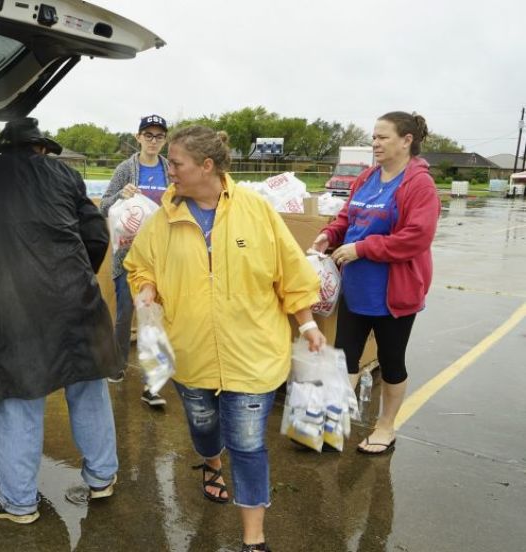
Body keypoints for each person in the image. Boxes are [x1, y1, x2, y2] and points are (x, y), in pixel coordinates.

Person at [124, 125, 326, 552]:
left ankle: (254, 539)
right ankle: (210, 462)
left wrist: (307, 325)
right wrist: (145, 288)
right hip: (191, 350)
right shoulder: (164, 219)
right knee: (203, 427)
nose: (170, 170)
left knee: (249, 444)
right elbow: (140, 264)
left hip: (252, 354)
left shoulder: (256, 211)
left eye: (176, 163)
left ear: (207, 166)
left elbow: (291, 271)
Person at [0, 117, 119, 524]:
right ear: (40, 147)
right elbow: (96, 237)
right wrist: (73, 274)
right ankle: (102, 477)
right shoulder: (65, 174)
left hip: (12, 303)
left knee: (19, 395)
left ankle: (18, 502)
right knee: (88, 387)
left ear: (3, 148)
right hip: (78, 299)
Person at [312, 111, 440, 455]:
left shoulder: (419, 184)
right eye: (374, 137)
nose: (375, 143)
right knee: (345, 358)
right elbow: (347, 218)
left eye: (382, 137)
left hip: (394, 293)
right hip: (356, 289)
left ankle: (386, 427)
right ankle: (334, 424)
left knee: (391, 361)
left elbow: (416, 237)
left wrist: (362, 248)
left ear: (406, 140)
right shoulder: (367, 177)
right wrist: (330, 235)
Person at [100, 114, 170, 407]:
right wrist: (120, 193)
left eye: (159, 136)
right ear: (138, 137)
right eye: (148, 135)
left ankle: (152, 385)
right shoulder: (126, 169)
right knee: (125, 316)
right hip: (128, 257)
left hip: (162, 257)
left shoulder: (170, 170)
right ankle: (116, 368)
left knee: (154, 320)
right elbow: (104, 206)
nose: (153, 141)